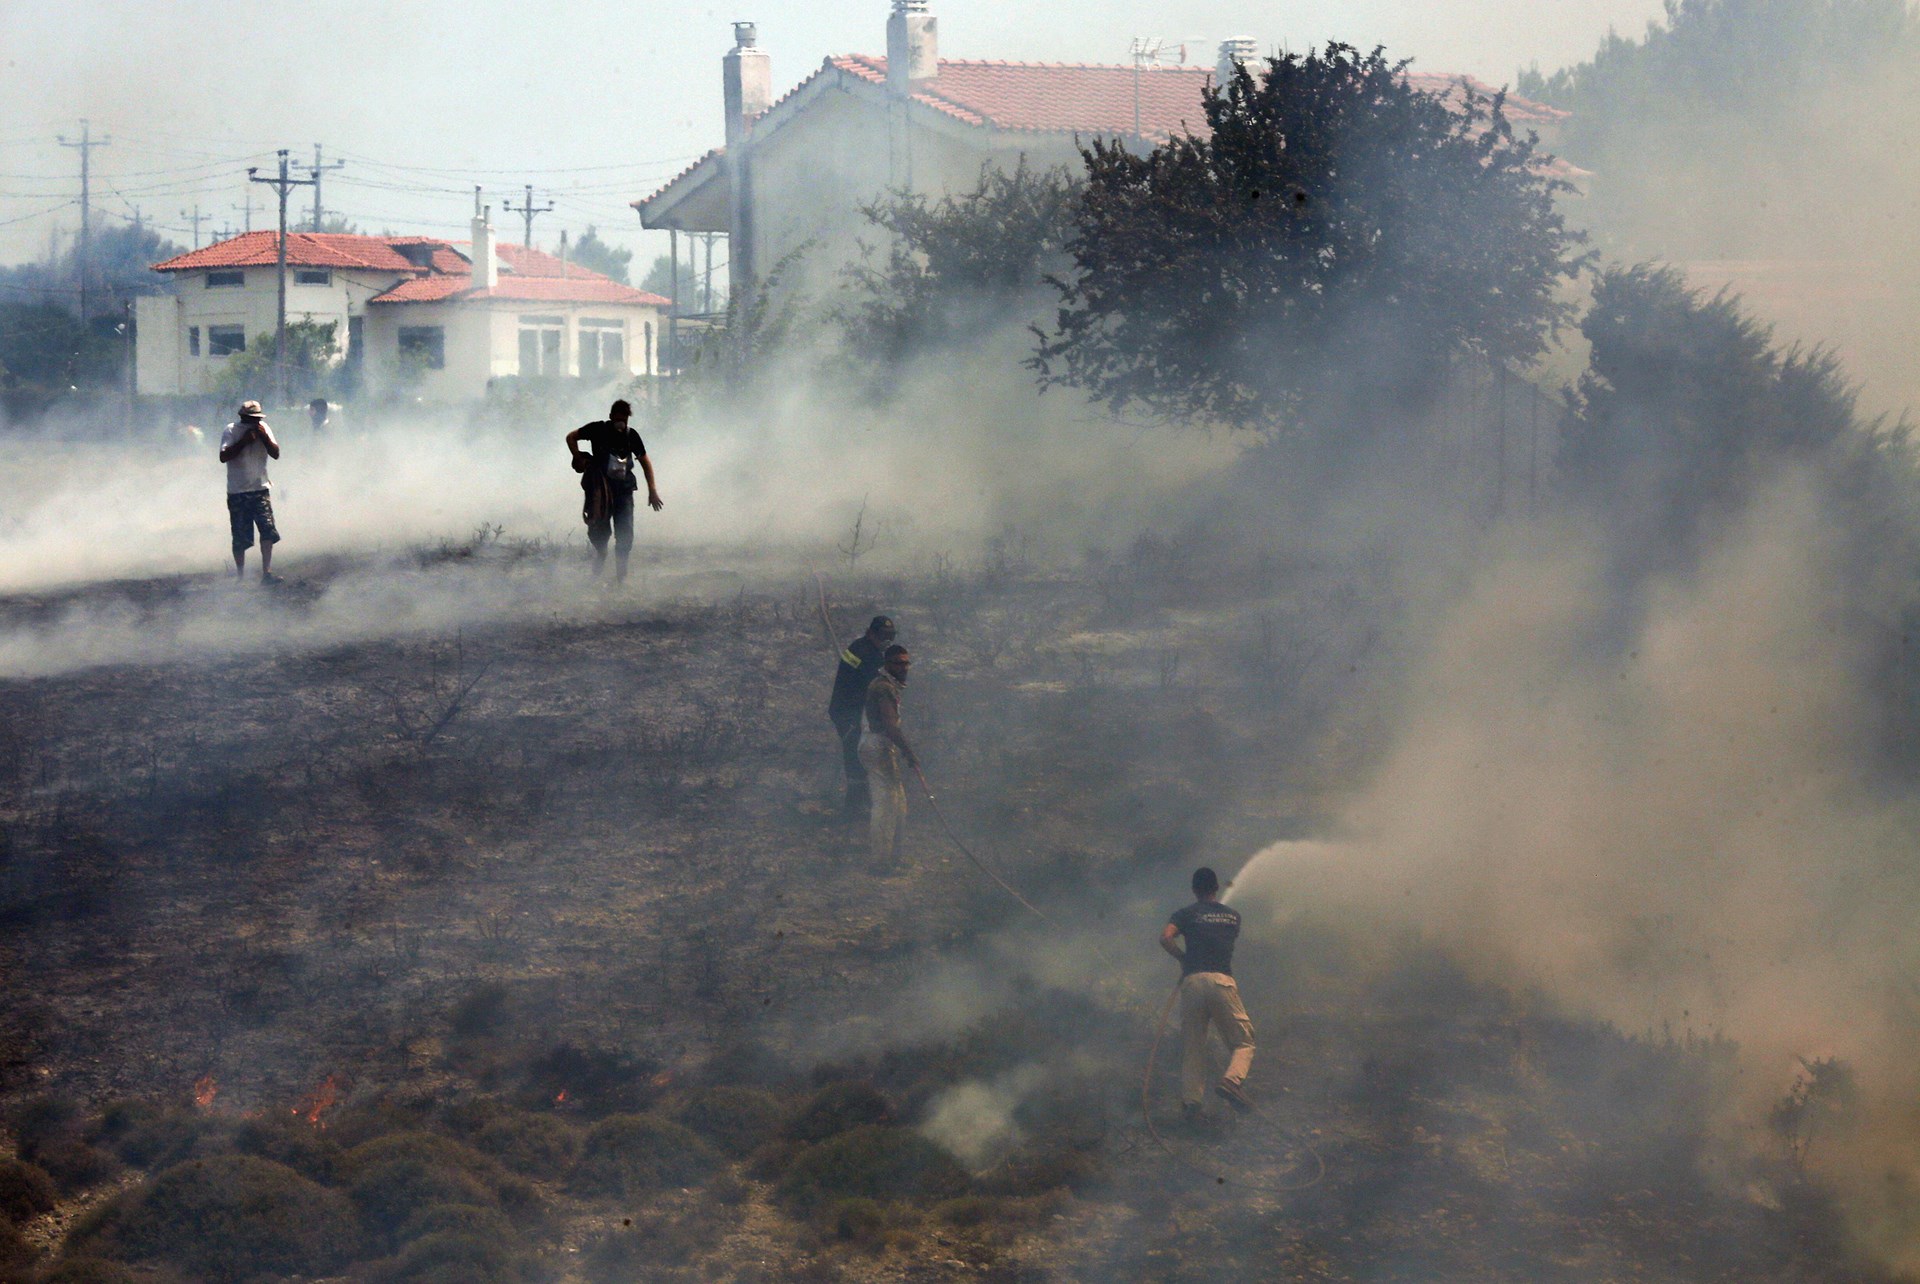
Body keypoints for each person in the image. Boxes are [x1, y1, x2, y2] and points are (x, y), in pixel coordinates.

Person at [1160, 867, 1255, 1115]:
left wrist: (1183, 958)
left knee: (1193, 1047)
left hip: (1193, 983)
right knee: (1243, 1042)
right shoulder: (1233, 917)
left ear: (1194, 890)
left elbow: (1166, 938)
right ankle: (1232, 1081)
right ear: (1216, 888)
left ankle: (1192, 1103)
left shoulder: (1185, 914)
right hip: (1222, 982)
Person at [565, 399, 662, 584]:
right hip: (600, 492)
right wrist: (578, 457)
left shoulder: (631, 436)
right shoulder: (597, 429)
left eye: (624, 419)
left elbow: (645, 462)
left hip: (624, 491)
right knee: (598, 532)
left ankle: (621, 578)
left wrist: (652, 491)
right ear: (610, 417)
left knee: (625, 535)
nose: (620, 423)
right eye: (617, 419)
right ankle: (601, 556)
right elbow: (571, 437)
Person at [828, 615, 897, 818]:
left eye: (891, 636)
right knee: (855, 755)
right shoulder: (870, 656)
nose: (887, 641)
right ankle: (854, 808)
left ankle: (859, 803)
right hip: (848, 713)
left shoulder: (858, 646)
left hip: (844, 709)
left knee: (856, 753)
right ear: (871, 633)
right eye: (883, 636)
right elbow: (876, 689)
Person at [857, 644, 918, 864]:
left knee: (898, 803)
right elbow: (891, 727)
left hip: (881, 747)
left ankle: (894, 857)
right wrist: (909, 753)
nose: (903, 668)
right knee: (885, 805)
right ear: (887, 664)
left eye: (906, 663)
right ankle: (880, 862)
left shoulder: (887, 686)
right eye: (898, 663)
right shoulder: (883, 687)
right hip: (876, 747)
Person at [218, 400, 282, 584]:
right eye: (251, 419)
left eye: (257, 419)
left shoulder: (264, 428)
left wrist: (265, 438)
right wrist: (244, 441)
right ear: (242, 417)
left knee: (267, 530)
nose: (254, 423)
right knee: (240, 536)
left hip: (260, 488)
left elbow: (276, 453)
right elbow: (224, 456)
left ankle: (266, 573)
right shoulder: (231, 430)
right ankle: (241, 576)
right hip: (238, 491)